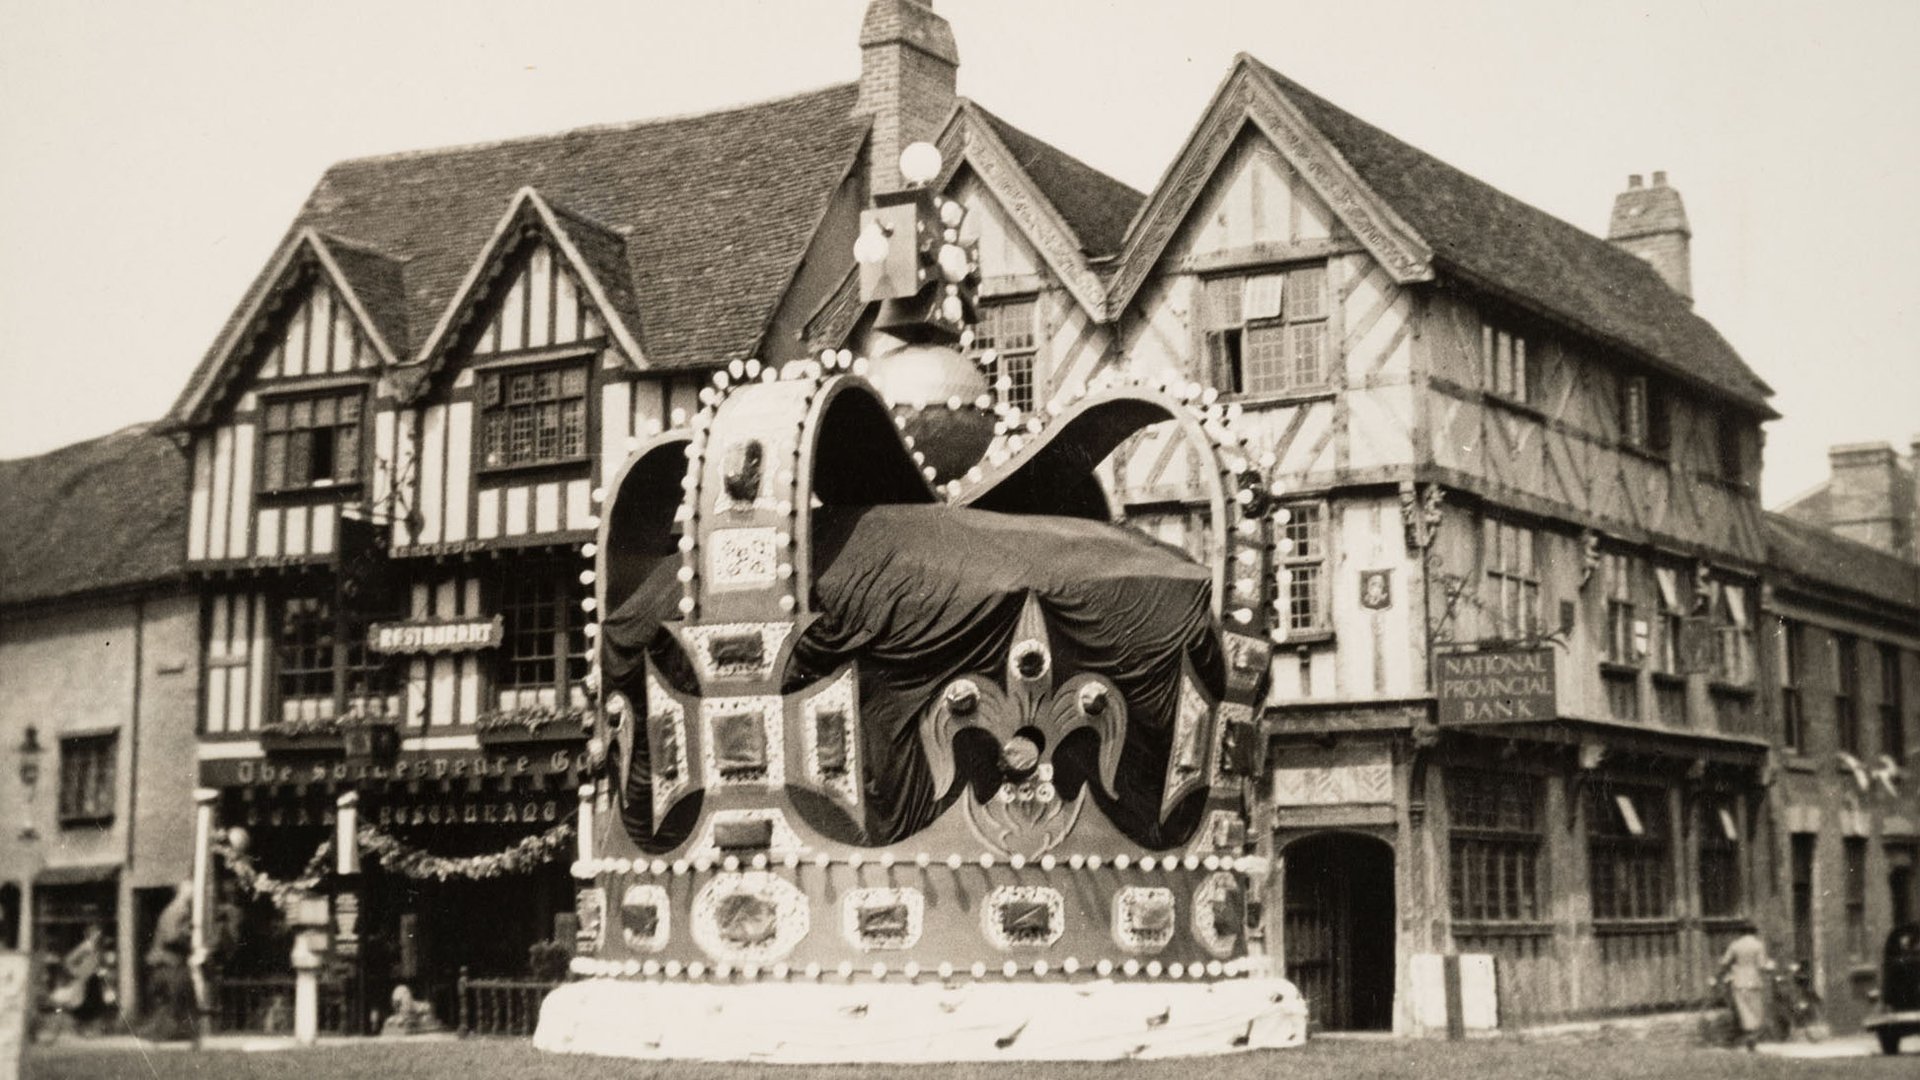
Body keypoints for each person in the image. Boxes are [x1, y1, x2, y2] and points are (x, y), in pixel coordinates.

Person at [139, 881, 199, 1043]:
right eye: (191, 893)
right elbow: (172, 936)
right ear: (184, 892)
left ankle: (164, 1034)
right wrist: (190, 940)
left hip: (164, 962)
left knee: (169, 1001)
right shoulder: (179, 910)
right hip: (170, 962)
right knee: (181, 996)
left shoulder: (173, 910)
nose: (193, 896)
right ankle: (183, 1035)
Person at [1717, 923, 1772, 1051]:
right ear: (1754, 932)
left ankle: (1746, 1035)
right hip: (1753, 980)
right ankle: (1751, 1036)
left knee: (1743, 1009)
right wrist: (1770, 966)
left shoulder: (1735, 945)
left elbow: (1725, 962)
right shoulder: (1758, 945)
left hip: (1738, 980)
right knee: (1756, 1009)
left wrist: (1724, 973)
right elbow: (1762, 964)